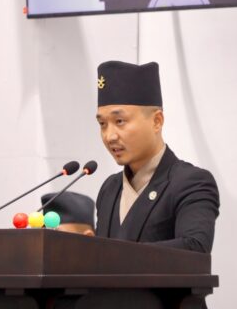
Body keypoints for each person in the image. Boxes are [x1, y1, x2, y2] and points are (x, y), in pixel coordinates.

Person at [94, 60, 220, 253]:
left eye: (120, 121)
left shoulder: (191, 183)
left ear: (157, 121)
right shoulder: (110, 188)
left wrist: (112, 256)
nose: (109, 136)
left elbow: (194, 249)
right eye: (103, 124)